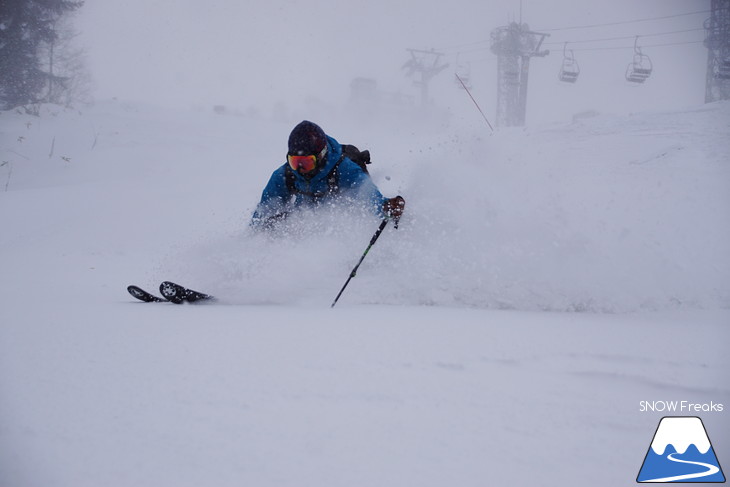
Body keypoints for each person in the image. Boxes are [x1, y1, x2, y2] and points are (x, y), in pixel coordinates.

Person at [251, 120, 405, 230]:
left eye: (306, 162)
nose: (299, 169)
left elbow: (367, 193)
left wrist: (385, 207)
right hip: (302, 226)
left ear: (321, 156)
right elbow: (264, 210)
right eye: (294, 161)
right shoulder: (286, 174)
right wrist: (256, 234)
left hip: (335, 228)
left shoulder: (344, 169)